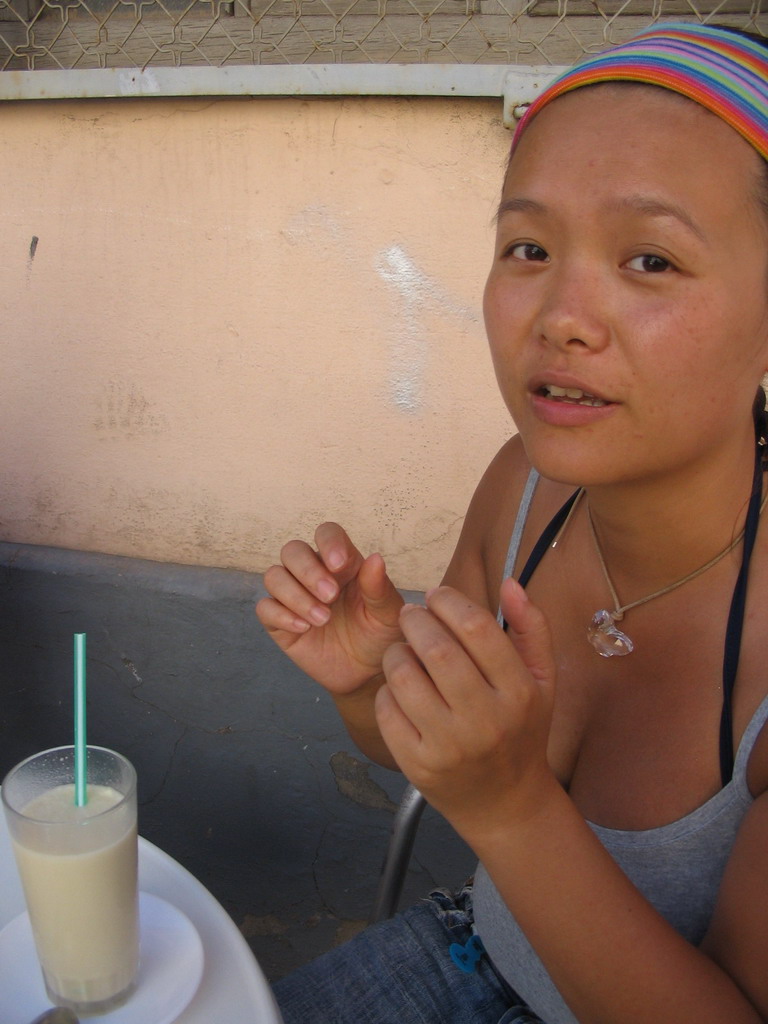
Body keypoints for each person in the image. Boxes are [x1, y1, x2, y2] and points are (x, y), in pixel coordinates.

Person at [256, 21, 768, 1023]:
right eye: (528, 247)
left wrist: (515, 810)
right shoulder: (522, 489)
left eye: (650, 261)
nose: (562, 315)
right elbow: (432, 752)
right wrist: (370, 686)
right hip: (465, 951)